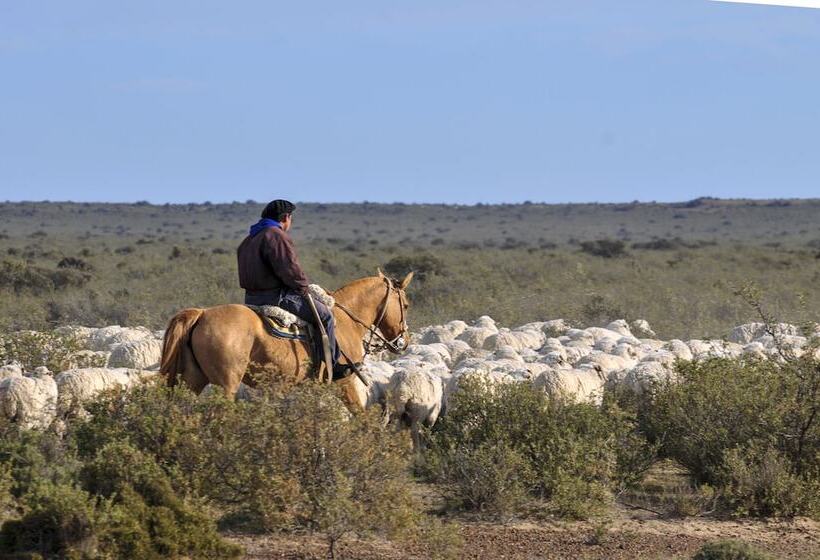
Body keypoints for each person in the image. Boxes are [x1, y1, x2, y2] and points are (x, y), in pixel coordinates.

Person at [237, 199, 354, 378]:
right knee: (325, 316)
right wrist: (303, 287)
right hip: (276, 297)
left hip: (251, 298)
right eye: (291, 218)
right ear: (286, 217)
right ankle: (333, 365)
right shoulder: (276, 235)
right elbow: (289, 268)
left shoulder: (248, 240)